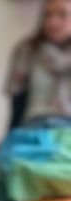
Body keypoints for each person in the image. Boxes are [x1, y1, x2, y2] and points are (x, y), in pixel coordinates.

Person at [6, 0, 71, 129]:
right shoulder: (27, 51)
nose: (53, 22)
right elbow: (17, 105)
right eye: (48, 15)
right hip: (34, 125)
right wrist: (11, 135)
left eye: (62, 14)